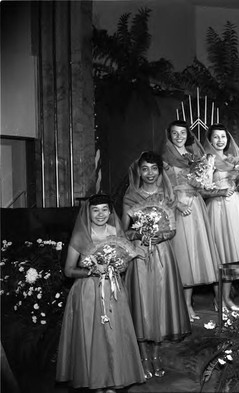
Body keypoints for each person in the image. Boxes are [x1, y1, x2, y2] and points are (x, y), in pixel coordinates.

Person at [56, 194, 145, 393]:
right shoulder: (81, 235)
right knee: (93, 336)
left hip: (113, 290)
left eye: (105, 209)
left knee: (113, 335)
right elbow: (69, 270)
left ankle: (113, 381)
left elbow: (124, 262)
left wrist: (120, 265)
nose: (100, 214)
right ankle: (96, 383)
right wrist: (92, 270)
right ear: (88, 212)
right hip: (88, 292)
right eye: (95, 210)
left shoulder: (116, 232)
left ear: (110, 212)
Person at [122, 151, 191, 380]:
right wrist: (140, 234)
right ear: (138, 171)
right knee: (142, 304)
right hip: (140, 255)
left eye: (154, 169)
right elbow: (125, 231)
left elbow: (172, 228)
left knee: (160, 304)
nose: (149, 173)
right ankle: (142, 357)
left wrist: (161, 236)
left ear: (160, 171)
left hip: (162, 254)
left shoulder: (167, 195)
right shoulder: (131, 197)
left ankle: (156, 355)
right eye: (145, 169)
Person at [161, 120, 220, 321]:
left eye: (183, 133)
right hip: (178, 208)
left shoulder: (194, 157)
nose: (179, 137)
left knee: (195, 255)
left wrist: (207, 185)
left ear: (188, 135)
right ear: (170, 135)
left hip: (195, 206)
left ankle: (188, 303)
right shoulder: (164, 159)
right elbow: (162, 188)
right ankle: (181, 305)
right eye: (175, 133)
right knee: (183, 256)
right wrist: (177, 204)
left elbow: (201, 185)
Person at [203, 124, 239, 311]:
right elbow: (202, 189)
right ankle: (217, 299)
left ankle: (226, 298)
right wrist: (220, 191)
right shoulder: (207, 161)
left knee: (232, 252)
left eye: (223, 137)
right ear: (210, 140)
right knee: (219, 253)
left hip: (235, 207)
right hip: (218, 208)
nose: (220, 141)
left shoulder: (232, 160)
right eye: (216, 137)